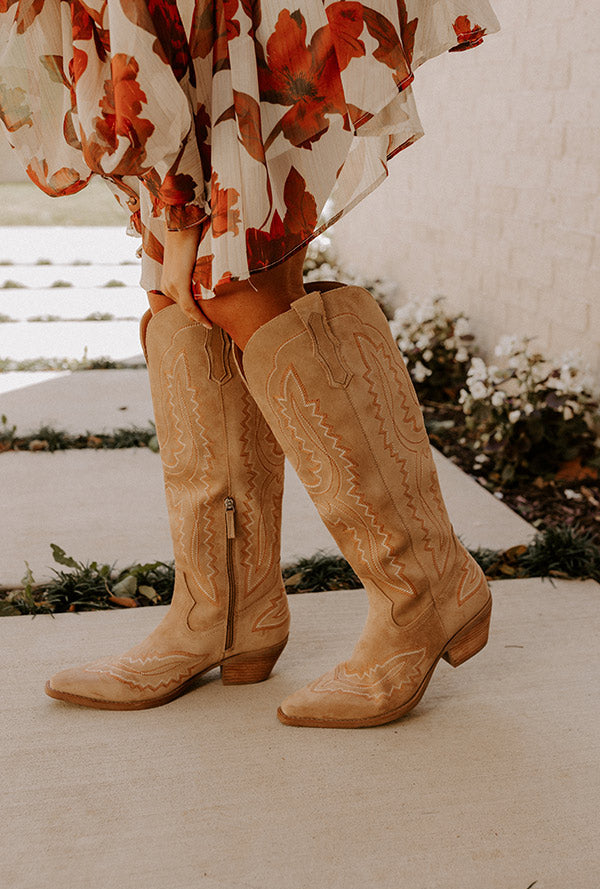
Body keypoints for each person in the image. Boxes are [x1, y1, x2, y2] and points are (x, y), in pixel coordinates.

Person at [1, 0, 500, 727]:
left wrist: (178, 206)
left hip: (224, 23)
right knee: (180, 303)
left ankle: (424, 585)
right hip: (180, 44)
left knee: (229, 284)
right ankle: (225, 607)